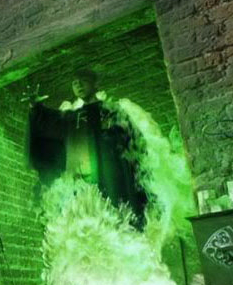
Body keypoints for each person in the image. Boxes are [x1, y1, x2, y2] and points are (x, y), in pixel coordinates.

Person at [28, 69, 145, 218]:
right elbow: (49, 123)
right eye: (74, 83)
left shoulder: (112, 110)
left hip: (111, 175)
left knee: (116, 212)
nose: (78, 85)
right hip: (83, 177)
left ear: (94, 83)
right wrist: (36, 107)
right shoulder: (74, 117)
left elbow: (132, 141)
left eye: (82, 80)